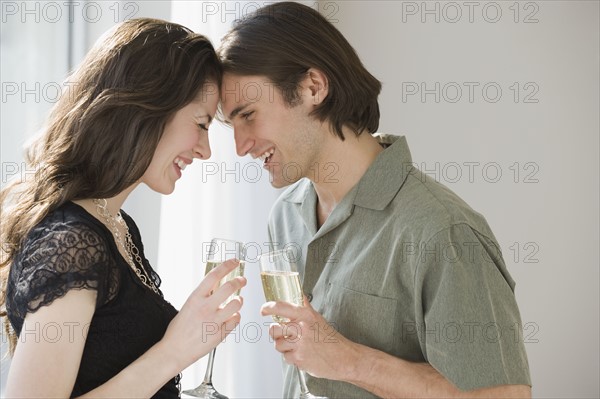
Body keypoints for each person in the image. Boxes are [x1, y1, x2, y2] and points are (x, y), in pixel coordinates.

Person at [217, 2, 531, 398]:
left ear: (313, 87)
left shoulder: (443, 230)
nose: (241, 146)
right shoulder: (285, 216)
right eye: (232, 125)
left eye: (248, 115)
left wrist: (348, 360)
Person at [0, 18, 246, 398]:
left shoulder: (117, 227)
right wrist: (175, 351)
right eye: (200, 124)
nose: (205, 149)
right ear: (148, 109)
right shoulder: (72, 242)